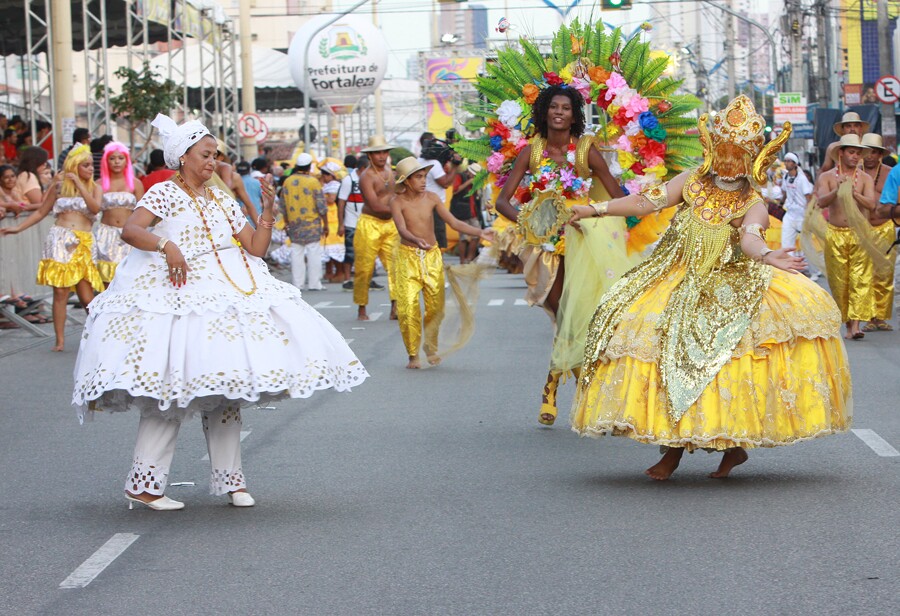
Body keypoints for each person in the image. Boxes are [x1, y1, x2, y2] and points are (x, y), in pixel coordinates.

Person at [69, 115, 367, 511]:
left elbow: (255, 248)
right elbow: (132, 231)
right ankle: (145, 484)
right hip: (179, 296)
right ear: (183, 157)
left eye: (215, 155)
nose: (213, 161)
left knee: (225, 387)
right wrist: (166, 246)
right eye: (205, 155)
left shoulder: (221, 198)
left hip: (225, 295)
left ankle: (231, 481)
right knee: (173, 390)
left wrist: (267, 213)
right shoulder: (164, 193)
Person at [568, 95, 852, 480]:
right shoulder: (692, 181)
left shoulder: (753, 202)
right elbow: (643, 202)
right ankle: (683, 448)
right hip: (675, 273)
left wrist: (768, 256)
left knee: (717, 359)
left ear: (753, 156)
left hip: (730, 283)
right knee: (649, 335)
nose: (730, 157)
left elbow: (751, 240)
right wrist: (593, 209)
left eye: (739, 151)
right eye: (725, 147)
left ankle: (709, 448)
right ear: (713, 146)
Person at [493, 84, 631, 427]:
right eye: (553, 106)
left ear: (574, 115)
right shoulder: (532, 151)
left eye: (566, 108)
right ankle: (572, 386)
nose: (559, 112)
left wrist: (595, 214)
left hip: (585, 244)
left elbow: (616, 197)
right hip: (546, 248)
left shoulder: (586, 150)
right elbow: (502, 202)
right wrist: (532, 224)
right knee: (564, 316)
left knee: (581, 319)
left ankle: (555, 389)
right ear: (544, 110)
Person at [390, 157, 494, 369]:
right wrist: (414, 239)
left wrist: (480, 231)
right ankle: (412, 355)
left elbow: (454, 222)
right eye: (418, 177)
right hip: (407, 257)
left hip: (432, 257)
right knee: (408, 308)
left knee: (435, 308)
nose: (423, 181)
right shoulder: (397, 202)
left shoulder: (432, 198)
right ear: (406, 181)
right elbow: (401, 229)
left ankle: (430, 347)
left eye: (424, 177)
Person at [0, 145, 103, 350]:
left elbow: (95, 208)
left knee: (86, 294)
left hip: (83, 241)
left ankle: (99, 334)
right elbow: (40, 212)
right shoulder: (58, 187)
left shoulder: (95, 188)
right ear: (74, 166)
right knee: (60, 292)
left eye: (91, 165)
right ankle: (60, 340)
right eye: (86, 165)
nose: (91, 169)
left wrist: (81, 185)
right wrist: (18, 228)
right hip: (59, 240)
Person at [815, 134, 877, 340]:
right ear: (840, 153)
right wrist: (837, 191)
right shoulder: (826, 177)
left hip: (860, 234)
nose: (855, 156)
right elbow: (821, 202)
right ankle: (848, 324)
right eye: (851, 152)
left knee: (860, 278)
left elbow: (871, 204)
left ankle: (857, 324)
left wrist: (853, 193)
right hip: (835, 234)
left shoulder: (865, 178)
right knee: (840, 280)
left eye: (858, 153)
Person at [354, 135, 399, 321]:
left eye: (384, 152)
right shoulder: (366, 177)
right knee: (364, 268)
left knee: (396, 266)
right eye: (377, 153)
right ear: (370, 155)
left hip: (391, 224)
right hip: (370, 223)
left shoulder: (392, 172)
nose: (381, 156)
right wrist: (401, 212)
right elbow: (375, 205)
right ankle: (361, 308)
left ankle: (395, 306)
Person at [858, 133, 894, 331]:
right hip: (862, 228)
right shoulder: (856, 173)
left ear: (880, 154)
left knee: (885, 273)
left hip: (885, 227)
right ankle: (869, 316)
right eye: (867, 152)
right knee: (865, 273)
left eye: (874, 152)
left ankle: (880, 316)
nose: (870, 156)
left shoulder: (890, 173)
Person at [95, 141, 144, 283]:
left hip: (129, 234)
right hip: (105, 234)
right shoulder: (99, 184)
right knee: (106, 277)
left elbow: (142, 210)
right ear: (106, 161)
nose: (116, 162)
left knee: (130, 276)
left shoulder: (135, 183)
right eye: (112, 158)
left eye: (120, 158)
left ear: (126, 161)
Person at [282, 153, 327, 291]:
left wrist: (286, 222)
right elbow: (321, 205)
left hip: (294, 223)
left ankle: (298, 284)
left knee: (296, 252)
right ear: (309, 166)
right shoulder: (313, 182)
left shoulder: (287, 181)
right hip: (312, 223)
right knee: (313, 252)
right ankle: (314, 283)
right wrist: (326, 223)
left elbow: (283, 205)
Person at [418, 133, 460, 249]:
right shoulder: (434, 164)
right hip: (435, 208)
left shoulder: (418, 161)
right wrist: (455, 165)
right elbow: (445, 183)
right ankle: (436, 265)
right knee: (437, 241)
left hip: (421, 205)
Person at [337, 154, 366, 288]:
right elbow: (341, 203)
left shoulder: (367, 180)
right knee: (350, 253)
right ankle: (347, 279)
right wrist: (341, 224)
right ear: (362, 168)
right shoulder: (349, 180)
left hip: (366, 223)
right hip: (351, 223)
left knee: (366, 253)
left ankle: (366, 279)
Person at [781, 152, 815, 259]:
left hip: (802, 215)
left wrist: (809, 213)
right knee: (786, 243)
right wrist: (781, 203)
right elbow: (784, 192)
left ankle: (814, 271)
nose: (786, 163)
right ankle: (790, 269)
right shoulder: (785, 177)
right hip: (790, 214)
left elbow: (808, 197)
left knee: (807, 244)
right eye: (785, 161)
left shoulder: (802, 179)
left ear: (795, 164)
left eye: (789, 161)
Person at [449, 163, 484, 264]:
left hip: (473, 211)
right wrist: (469, 182)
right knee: (463, 237)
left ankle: (470, 258)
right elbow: (455, 191)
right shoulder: (460, 176)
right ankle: (462, 260)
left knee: (476, 235)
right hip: (462, 211)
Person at [320, 161, 345, 282]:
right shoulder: (327, 185)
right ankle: (329, 272)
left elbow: (332, 199)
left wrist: (321, 200)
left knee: (335, 246)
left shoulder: (334, 184)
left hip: (333, 218)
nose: (323, 178)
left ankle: (339, 272)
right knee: (328, 247)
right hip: (328, 218)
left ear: (331, 175)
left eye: (325, 175)